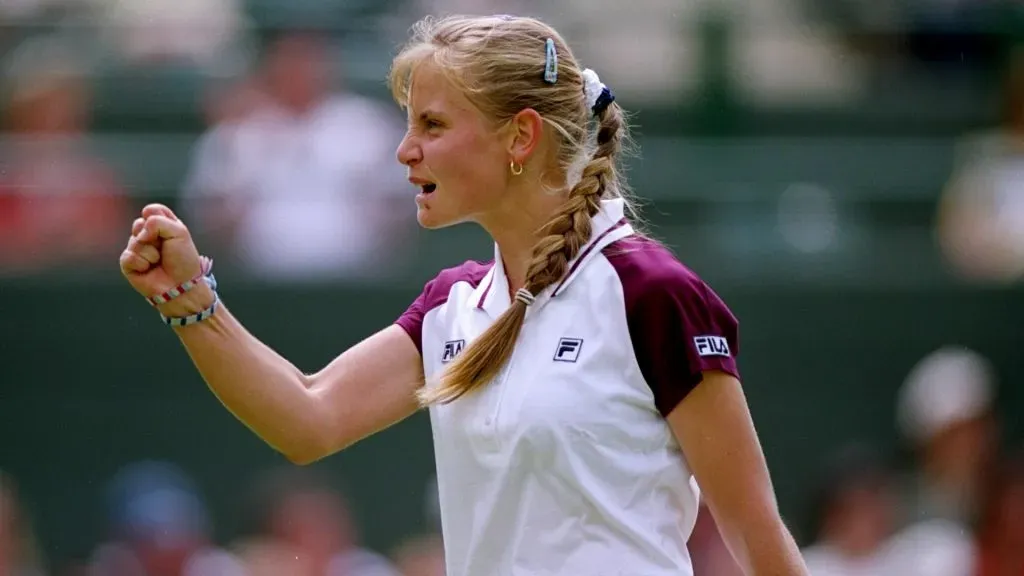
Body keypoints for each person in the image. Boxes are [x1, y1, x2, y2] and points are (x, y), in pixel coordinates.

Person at [118, 14, 808, 576]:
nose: (404, 150)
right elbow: (308, 417)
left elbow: (756, 538)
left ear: (521, 137)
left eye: (433, 125)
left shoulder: (650, 295)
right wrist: (187, 298)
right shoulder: (452, 305)